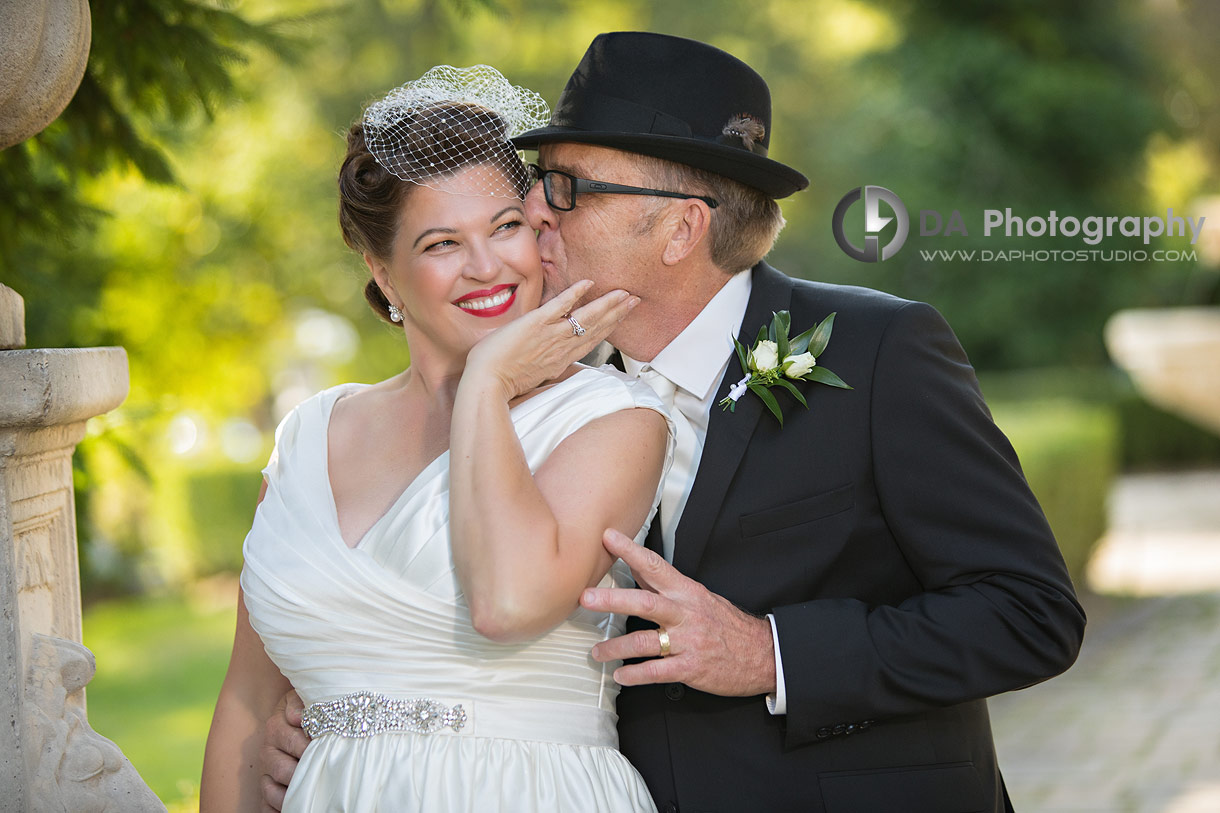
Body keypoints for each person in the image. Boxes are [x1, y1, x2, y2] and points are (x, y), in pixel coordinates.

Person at [262, 33, 1087, 813]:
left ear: (681, 225)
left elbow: (1029, 612)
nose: (535, 213)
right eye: (538, 181)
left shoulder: (878, 352)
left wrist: (772, 653)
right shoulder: (547, 392)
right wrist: (342, 708)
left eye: (568, 187)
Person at [200, 65, 675, 812]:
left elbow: (510, 603)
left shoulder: (614, 419)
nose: (486, 266)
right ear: (382, 272)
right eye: (442, 242)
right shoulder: (307, 437)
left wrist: (486, 383)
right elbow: (245, 701)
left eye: (506, 227)